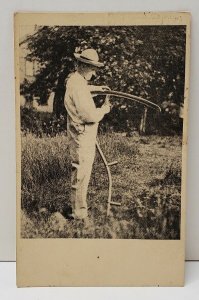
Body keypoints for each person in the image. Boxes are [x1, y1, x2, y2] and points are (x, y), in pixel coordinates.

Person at [64, 48, 111, 220]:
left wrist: (97, 88)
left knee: (81, 172)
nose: (95, 71)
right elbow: (89, 115)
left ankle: (77, 209)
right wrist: (104, 110)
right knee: (81, 174)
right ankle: (79, 213)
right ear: (83, 66)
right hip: (82, 135)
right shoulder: (78, 85)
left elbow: (83, 90)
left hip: (80, 134)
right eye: (92, 67)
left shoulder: (75, 80)